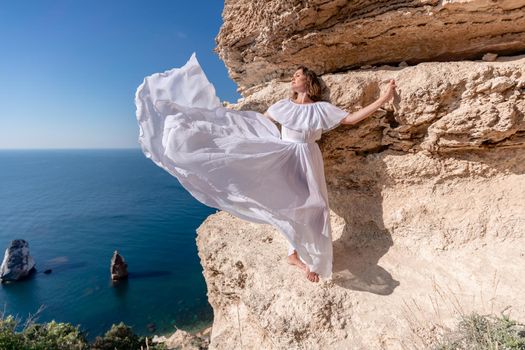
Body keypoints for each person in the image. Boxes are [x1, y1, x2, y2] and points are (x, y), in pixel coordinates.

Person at [135, 53, 396, 283]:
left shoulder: (321, 109)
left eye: (297, 75)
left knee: (317, 208)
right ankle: (298, 256)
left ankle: (304, 256)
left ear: (309, 82)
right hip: (284, 157)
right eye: (293, 76)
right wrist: (216, 121)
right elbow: (251, 125)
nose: (293, 79)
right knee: (288, 205)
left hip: (309, 157)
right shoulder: (282, 106)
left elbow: (350, 119)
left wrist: (384, 98)